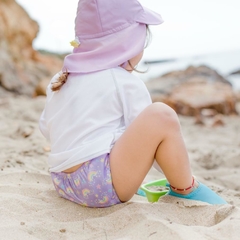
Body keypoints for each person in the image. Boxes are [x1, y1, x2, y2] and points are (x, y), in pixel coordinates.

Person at [39, 0, 227, 208]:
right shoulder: (123, 81)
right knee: (161, 115)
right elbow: (154, 145)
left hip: (62, 182)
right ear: (128, 42)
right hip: (99, 186)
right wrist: (132, 170)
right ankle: (186, 189)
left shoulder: (60, 79)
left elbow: (47, 129)